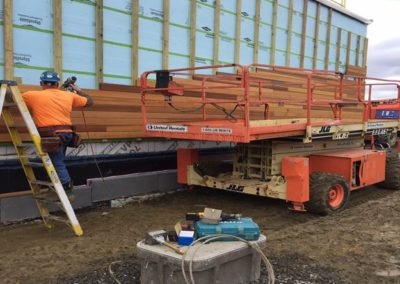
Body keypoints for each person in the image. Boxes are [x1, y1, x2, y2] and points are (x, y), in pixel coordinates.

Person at [22, 71, 93, 195]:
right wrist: (78, 90)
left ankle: (66, 187)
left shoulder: (31, 95)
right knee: (58, 160)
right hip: (67, 133)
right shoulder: (68, 95)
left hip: (51, 134)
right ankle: (58, 185)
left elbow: (11, 98)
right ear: (57, 83)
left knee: (57, 162)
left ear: (41, 83)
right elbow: (90, 101)